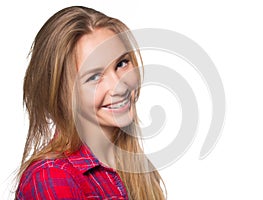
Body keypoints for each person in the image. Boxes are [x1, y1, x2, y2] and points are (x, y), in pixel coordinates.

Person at [15, 6, 166, 200]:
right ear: (62, 94)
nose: (119, 87)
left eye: (121, 64)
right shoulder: (51, 176)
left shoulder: (134, 167)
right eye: (95, 76)